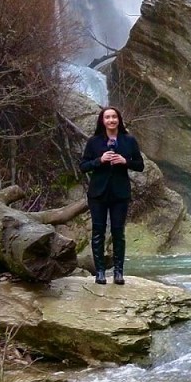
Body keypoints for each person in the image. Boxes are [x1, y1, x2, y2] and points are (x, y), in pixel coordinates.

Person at [79, 106, 144, 284]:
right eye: (107, 117)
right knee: (98, 232)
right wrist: (99, 160)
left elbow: (140, 165)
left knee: (118, 232)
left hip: (120, 193)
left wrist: (125, 161)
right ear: (102, 121)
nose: (111, 120)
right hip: (98, 193)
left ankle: (118, 273)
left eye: (114, 117)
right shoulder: (94, 141)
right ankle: (100, 272)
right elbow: (83, 166)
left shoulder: (129, 140)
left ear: (119, 120)